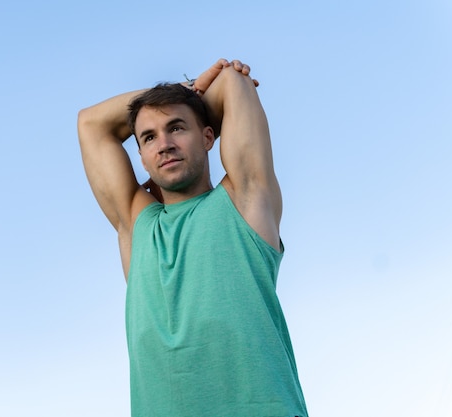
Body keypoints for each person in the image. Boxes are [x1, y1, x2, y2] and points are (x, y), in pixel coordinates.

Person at [78, 58, 308, 417]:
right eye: (149, 137)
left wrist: (189, 95)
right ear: (140, 156)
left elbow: (233, 82)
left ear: (208, 136)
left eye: (177, 128)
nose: (164, 144)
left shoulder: (245, 200)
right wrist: (184, 94)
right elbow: (90, 124)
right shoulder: (138, 225)